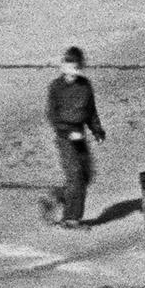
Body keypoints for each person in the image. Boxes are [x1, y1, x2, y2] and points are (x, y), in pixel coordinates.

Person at [47, 45, 104, 229]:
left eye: (77, 68)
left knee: (86, 176)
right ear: (63, 67)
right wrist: (66, 131)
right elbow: (52, 115)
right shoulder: (56, 87)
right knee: (75, 177)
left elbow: (90, 111)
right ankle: (71, 219)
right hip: (64, 137)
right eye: (70, 67)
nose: (74, 72)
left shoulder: (85, 86)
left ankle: (58, 196)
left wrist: (97, 130)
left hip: (79, 136)